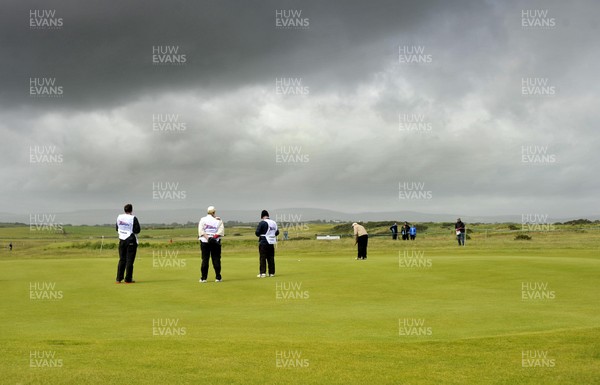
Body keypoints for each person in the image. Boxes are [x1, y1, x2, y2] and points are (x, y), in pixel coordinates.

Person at [116, 203, 141, 284]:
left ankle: (118, 279)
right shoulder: (133, 218)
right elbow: (137, 230)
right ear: (131, 210)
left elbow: (117, 228)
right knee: (129, 260)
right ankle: (128, 279)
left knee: (122, 259)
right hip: (131, 240)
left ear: (124, 210)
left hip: (121, 240)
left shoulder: (119, 217)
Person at [198, 206, 224, 282]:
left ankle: (203, 278)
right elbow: (220, 231)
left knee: (205, 259)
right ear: (214, 212)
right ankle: (218, 277)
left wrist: (208, 238)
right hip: (215, 241)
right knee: (216, 259)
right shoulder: (219, 220)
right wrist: (213, 238)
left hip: (204, 241)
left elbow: (201, 231)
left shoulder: (202, 219)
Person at [255, 210, 279, 278]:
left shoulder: (262, 222)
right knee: (271, 257)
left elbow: (257, 233)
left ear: (262, 216)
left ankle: (263, 273)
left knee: (263, 257)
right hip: (271, 242)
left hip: (264, 242)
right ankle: (271, 273)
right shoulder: (274, 223)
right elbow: (277, 232)